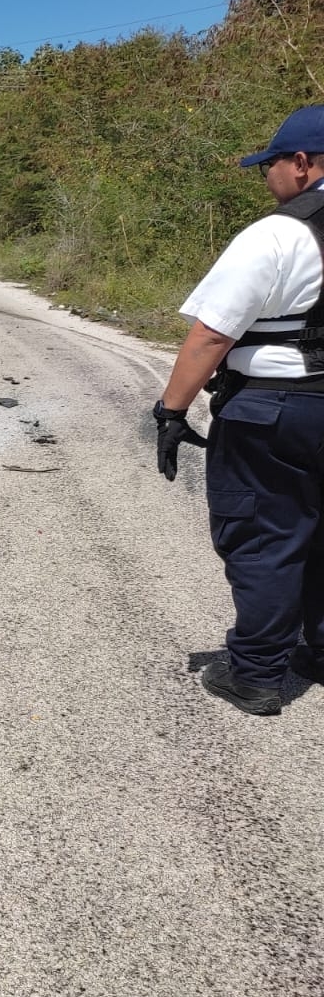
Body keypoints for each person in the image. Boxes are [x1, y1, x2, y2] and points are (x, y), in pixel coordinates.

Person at [156, 104, 324, 715]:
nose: (268, 178)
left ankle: (255, 673)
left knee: (266, 536)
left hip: (275, 410)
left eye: (270, 165)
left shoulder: (278, 234)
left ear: (301, 164)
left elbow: (211, 336)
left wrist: (172, 412)